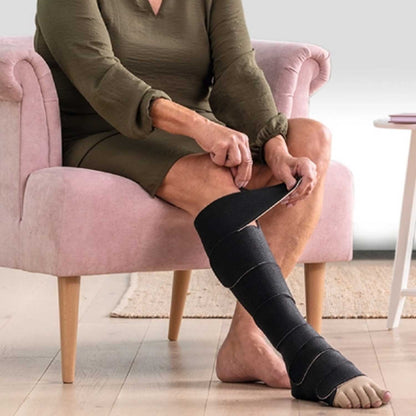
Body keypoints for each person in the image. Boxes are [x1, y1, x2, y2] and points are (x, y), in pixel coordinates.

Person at [34, 0, 392, 409]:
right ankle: (305, 351)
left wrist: (274, 147)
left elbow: (238, 70)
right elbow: (101, 76)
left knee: (312, 138)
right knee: (213, 175)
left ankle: (246, 340)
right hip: (106, 132)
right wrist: (201, 128)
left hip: (201, 133)